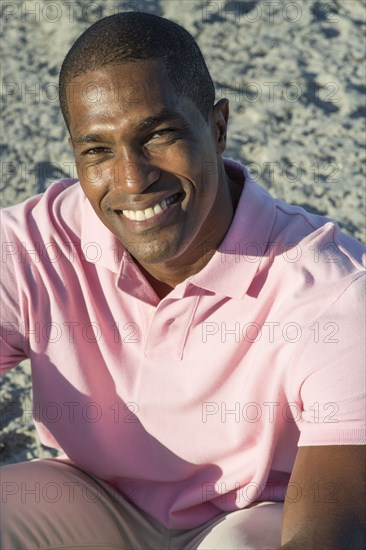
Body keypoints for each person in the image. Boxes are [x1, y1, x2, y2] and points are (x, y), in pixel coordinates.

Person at [0, 11, 365, 550]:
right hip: (95, 503)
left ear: (218, 128)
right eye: (97, 149)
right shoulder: (34, 245)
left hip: (252, 522)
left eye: (159, 134)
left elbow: (331, 532)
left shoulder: (334, 291)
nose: (131, 179)